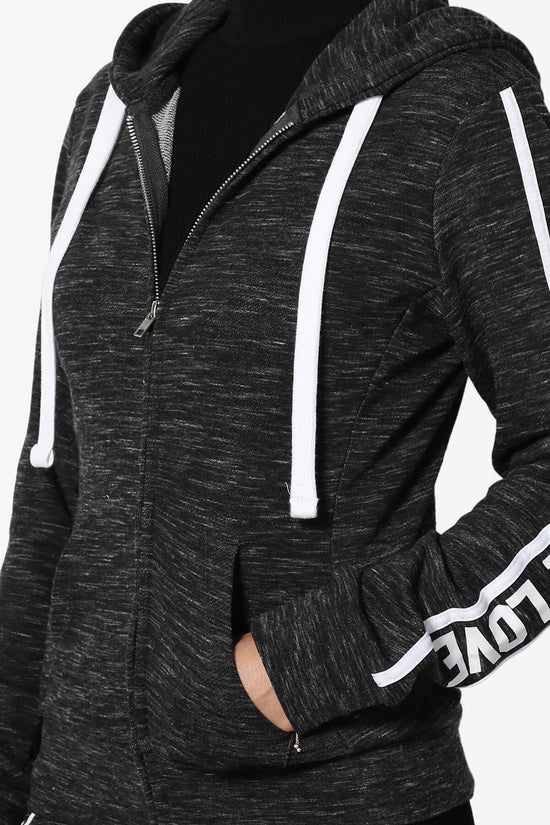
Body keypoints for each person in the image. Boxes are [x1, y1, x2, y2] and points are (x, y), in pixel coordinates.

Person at [2, 0, 550, 822]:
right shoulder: (114, 108)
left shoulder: (457, 98)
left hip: (335, 795)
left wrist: (318, 660)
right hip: (84, 796)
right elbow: (58, 483)